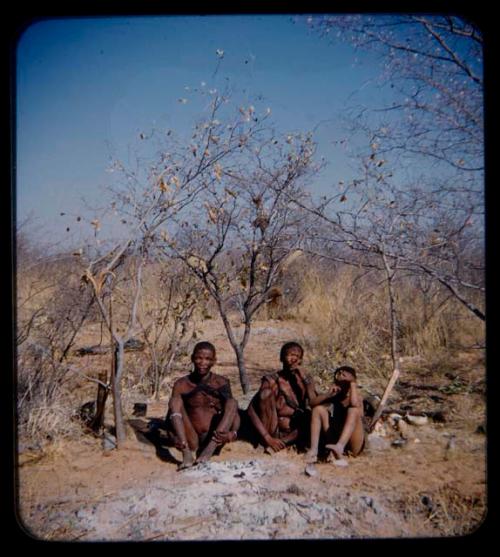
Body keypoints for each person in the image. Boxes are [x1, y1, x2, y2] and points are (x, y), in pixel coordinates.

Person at [165, 341, 240, 470]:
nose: (202, 363)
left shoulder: (221, 382)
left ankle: (209, 449)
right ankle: (186, 453)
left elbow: (233, 413)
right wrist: (174, 437)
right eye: (199, 358)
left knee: (233, 401)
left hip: (215, 436)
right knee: (174, 401)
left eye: (207, 359)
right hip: (191, 438)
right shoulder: (181, 384)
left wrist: (233, 433)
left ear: (214, 361)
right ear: (192, 359)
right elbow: (171, 416)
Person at [246, 341, 310, 453]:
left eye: (297, 357)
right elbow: (251, 410)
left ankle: (282, 444)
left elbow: (315, 402)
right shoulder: (271, 380)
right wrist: (267, 437)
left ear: (301, 361)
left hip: (295, 432)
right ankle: (267, 443)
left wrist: (305, 381)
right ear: (282, 358)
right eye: (290, 355)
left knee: (311, 414)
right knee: (265, 394)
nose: (293, 359)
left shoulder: (305, 381)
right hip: (272, 431)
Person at [303, 365, 365, 464]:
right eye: (339, 375)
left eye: (344, 375)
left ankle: (340, 446)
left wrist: (353, 384)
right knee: (318, 409)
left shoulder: (357, 397)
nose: (341, 376)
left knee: (353, 411)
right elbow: (312, 404)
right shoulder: (336, 396)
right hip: (335, 437)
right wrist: (328, 394)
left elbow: (354, 404)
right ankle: (314, 449)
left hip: (353, 442)